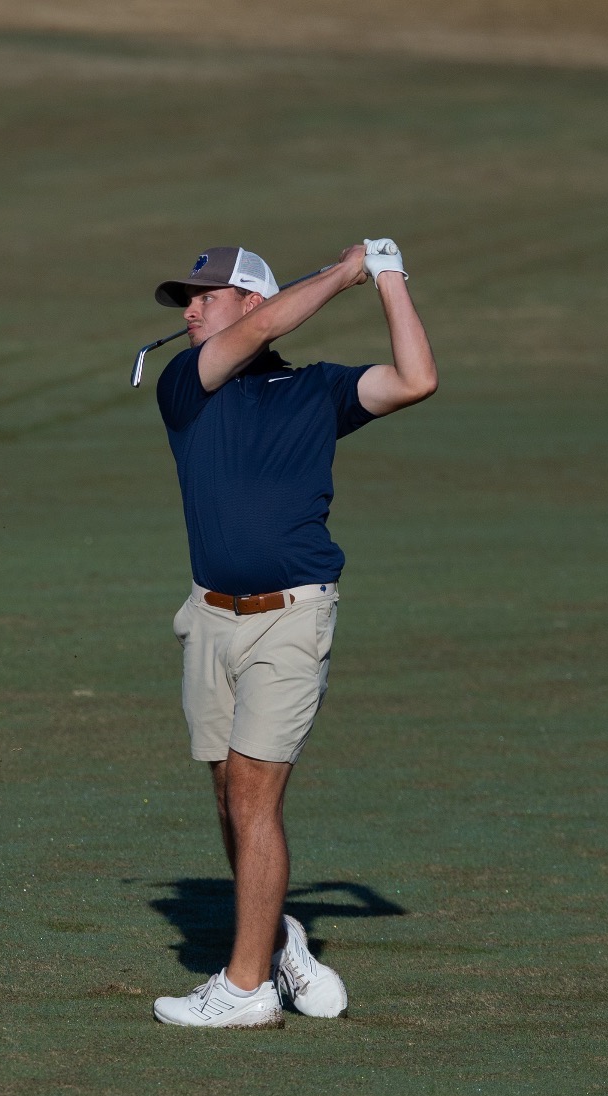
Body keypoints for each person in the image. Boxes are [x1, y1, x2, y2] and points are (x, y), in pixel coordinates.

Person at [145, 241, 437, 1029]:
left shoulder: (318, 391)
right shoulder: (186, 386)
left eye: (208, 295)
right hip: (209, 618)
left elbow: (417, 377)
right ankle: (277, 938)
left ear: (254, 302)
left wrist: (386, 277)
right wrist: (341, 271)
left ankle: (245, 990)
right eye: (187, 298)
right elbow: (254, 332)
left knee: (252, 792)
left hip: (293, 615)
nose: (190, 309)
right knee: (226, 796)